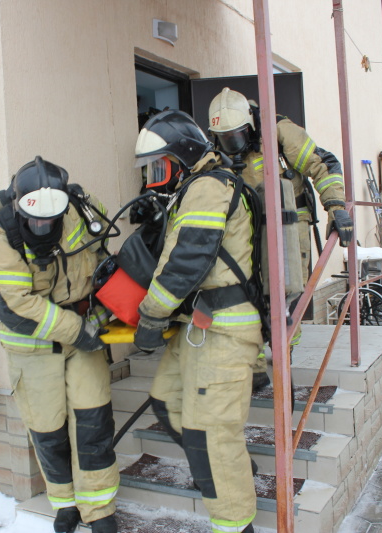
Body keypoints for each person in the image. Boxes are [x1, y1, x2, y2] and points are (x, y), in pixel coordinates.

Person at [133, 109, 263, 533]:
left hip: (222, 329)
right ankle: (229, 467)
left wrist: (150, 317)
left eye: (160, 167)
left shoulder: (207, 187)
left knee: (211, 438)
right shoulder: (195, 189)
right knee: (167, 402)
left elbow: (187, 260)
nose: (155, 178)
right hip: (198, 326)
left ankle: (234, 523)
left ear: (184, 157)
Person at [0, 156, 119, 533]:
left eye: (50, 220)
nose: (43, 226)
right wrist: (76, 329)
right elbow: (16, 305)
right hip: (34, 345)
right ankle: (65, 503)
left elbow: (103, 246)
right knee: (48, 430)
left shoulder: (77, 209)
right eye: (35, 221)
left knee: (94, 423)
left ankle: (99, 508)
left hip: (85, 333)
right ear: (19, 207)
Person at [207, 87, 353, 389]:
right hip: (247, 226)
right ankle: (258, 364)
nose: (232, 145)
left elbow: (323, 164)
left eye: (236, 137)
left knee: (286, 291)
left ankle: (284, 352)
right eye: (225, 139)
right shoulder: (217, 150)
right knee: (247, 290)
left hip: (289, 223)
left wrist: (336, 207)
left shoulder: (278, 132)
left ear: (249, 125)